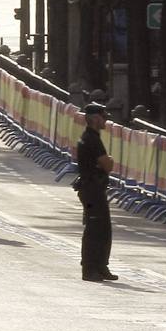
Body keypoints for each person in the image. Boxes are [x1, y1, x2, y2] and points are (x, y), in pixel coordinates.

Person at [76, 102, 117, 282]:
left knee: (104, 229)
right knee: (94, 229)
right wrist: (109, 161)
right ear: (94, 119)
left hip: (96, 188)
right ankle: (89, 268)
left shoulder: (93, 137)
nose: (105, 119)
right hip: (91, 188)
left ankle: (101, 266)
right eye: (102, 116)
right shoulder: (91, 139)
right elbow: (107, 165)